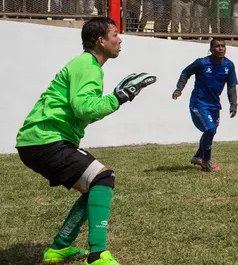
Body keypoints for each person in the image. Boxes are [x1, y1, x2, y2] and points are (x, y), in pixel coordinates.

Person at [16, 17, 156, 265]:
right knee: (103, 178)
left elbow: (81, 111)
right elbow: (83, 108)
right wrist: (119, 98)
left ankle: (59, 248)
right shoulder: (88, 66)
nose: (119, 39)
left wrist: (115, 98)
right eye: (115, 34)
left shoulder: (87, 65)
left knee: (95, 187)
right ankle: (96, 255)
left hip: (39, 140)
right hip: (46, 140)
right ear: (101, 41)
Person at [172, 38, 238, 172]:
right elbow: (186, 73)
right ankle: (207, 161)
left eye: (223, 46)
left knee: (211, 131)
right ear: (211, 49)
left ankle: (198, 156)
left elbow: (231, 87)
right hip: (199, 103)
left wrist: (233, 104)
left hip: (214, 104)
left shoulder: (229, 65)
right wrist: (179, 89)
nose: (221, 49)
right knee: (210, 130)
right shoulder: (202, 63)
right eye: (217, 46)